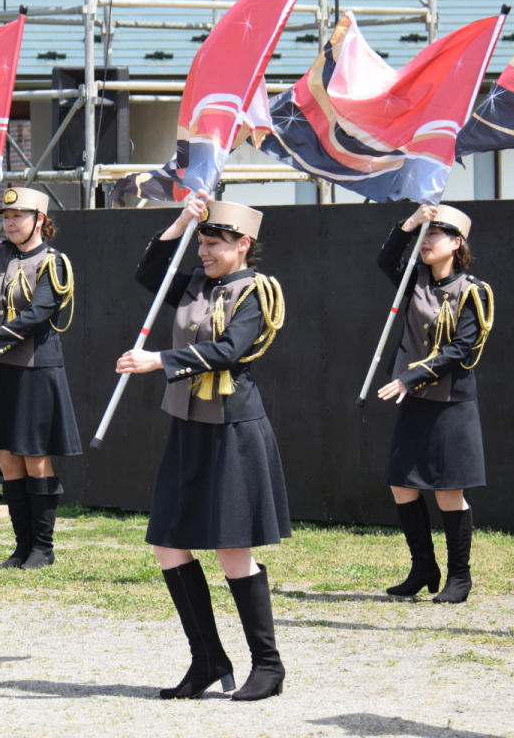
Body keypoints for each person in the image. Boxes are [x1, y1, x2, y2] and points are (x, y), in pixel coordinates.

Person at [114, 193, 290, 702]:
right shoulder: (194, 282)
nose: (205, 252)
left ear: (243, 243)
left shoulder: (256, 291)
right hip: (188, 425)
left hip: (232, 429)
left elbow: (229, 350)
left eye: (214, 243)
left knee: (233, 551)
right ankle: (208, 658)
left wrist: (158, 361)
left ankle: (268, 666)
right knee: (169, 543)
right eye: (202, 243)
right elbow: (149, 273)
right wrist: (182, 220)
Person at [0, 187, 79, 570]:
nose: (9, 224)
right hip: (1, 367)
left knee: (34, 456)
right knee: (7, 458)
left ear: (39, 220)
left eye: (17, 217)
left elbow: (37, 315)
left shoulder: (53, 262)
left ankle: (43, 548)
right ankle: (22, 547)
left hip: (35, 369)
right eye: (5, 218)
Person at [376, 203, 494, 605]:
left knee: (448, 490)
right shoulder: (415, 280)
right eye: (424, 236)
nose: (425, 242)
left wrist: (408, 378)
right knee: (401, 483)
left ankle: (460, 577)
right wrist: (410, 223)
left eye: (434, 235)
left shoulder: (473, 291)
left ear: (456, 243)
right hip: (416, 399)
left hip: (450, 402)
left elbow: (461, 349)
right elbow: (387, 259)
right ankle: (423, 567)